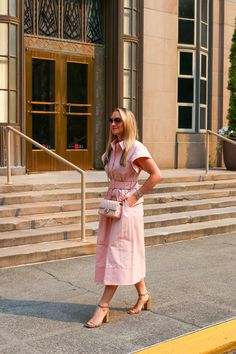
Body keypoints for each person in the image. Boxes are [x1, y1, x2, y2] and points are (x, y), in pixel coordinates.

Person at [85, 108, 161, 328]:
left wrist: (135, 196)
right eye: (111, 119)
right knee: (121, 251)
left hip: (127, 208)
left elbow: (156, 175)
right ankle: (144, 294)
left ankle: (103, 306)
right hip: (112, 205)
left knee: (117, 254)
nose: (113, 123)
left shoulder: (136, 148)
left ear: (128, 122)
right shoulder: (113, 148)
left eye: (117, 119)